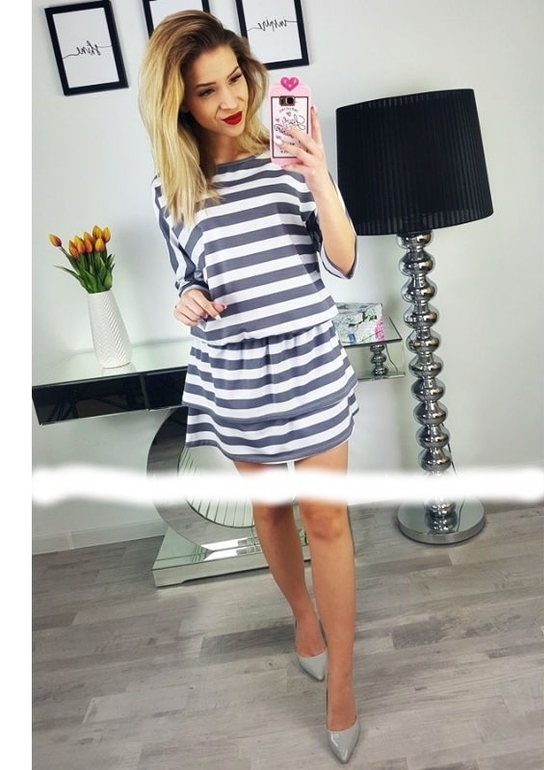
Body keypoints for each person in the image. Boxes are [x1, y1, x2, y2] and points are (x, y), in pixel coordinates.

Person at [139, 10, 360, 763]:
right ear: (179, 103)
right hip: (233, 372)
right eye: (207, 91)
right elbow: (189, 277)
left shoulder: (291, 160)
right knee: (270, 513)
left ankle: (343, 685)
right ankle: (302, 615)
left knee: (326, 520)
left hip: (310, 361)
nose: (230, 100)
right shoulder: (172, 189)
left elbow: (343, 261)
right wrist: (185, 300)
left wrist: (320, 178)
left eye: (235, 79)